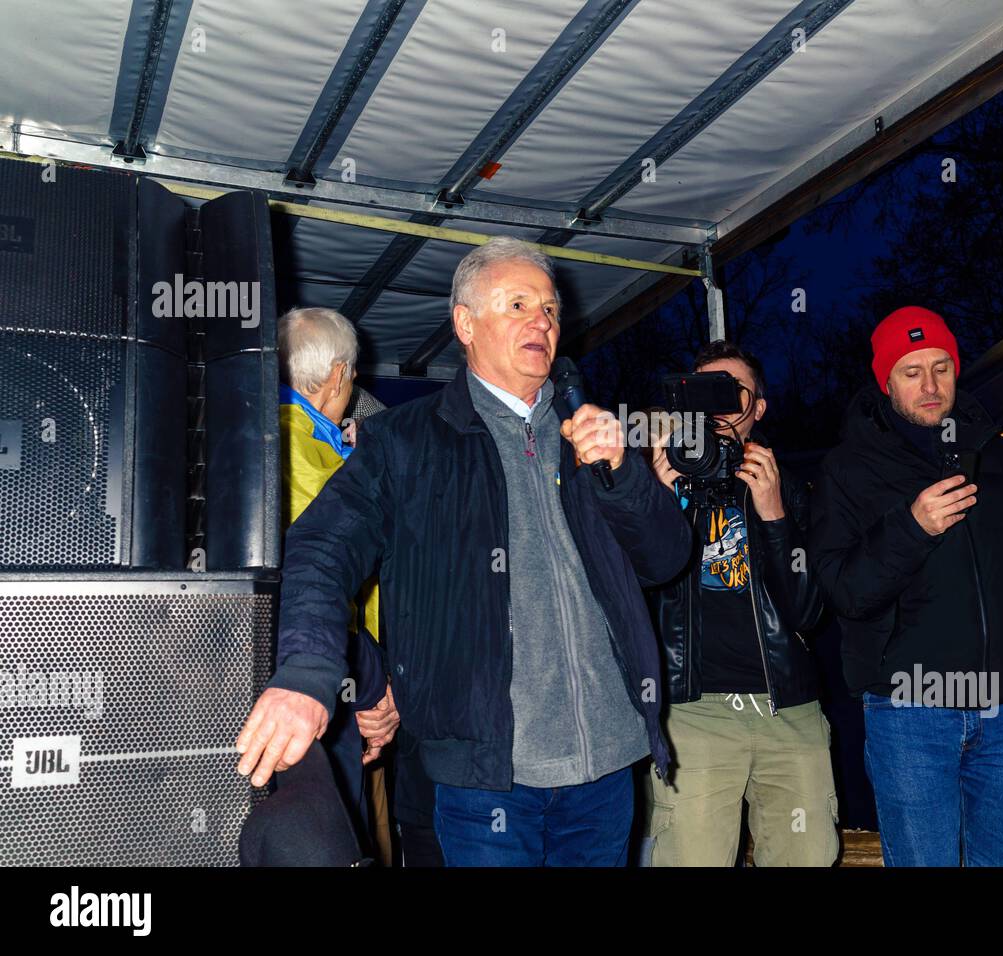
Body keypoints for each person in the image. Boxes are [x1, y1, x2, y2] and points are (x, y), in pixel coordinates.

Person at [237, 237, 691, 867]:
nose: (542, 320)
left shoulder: (591, 436)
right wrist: (306, 677)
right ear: (465, 323)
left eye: (551, 310)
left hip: (608, 766)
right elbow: (319, 550)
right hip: (486, 778)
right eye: (518, 304)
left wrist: (625, 475)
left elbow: (667, 558)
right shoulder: (403, 440)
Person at [809, 305, 1003, 867]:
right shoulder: (848, 468)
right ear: (885, 380)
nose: (929, 384)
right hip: (912, 710)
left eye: (941, 367)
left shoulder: (993, 454)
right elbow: (843, 590)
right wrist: (911, 527)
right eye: (911, 371)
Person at [644, 341, 834, 866]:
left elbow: (810, 612)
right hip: (693, 713)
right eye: (706, 393)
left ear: (759, 408)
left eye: (733, 392)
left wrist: (774, 515)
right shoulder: (659, 480)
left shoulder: (793, 488)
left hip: (788, 710)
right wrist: (658, 503)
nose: (720, 406)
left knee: (808, 856)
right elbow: (629, 594)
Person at [276, 307, 396, 852]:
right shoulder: (297, 449)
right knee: (335, 829)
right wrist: (369, 677)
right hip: (326, 672)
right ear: (339, 374)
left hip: (332, 669)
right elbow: (316, 577)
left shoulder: (310, 441)